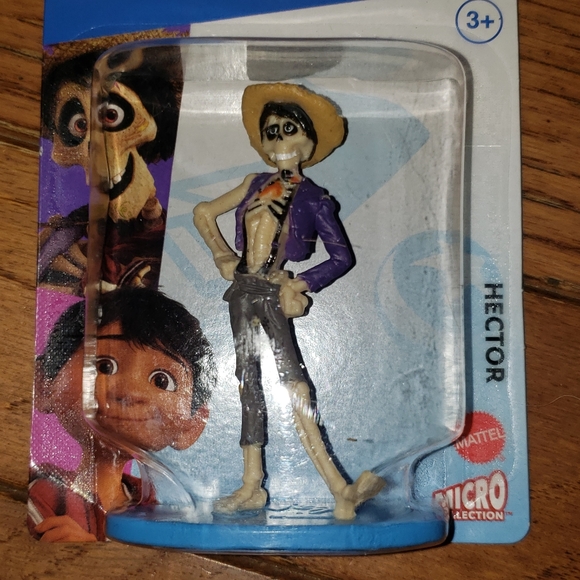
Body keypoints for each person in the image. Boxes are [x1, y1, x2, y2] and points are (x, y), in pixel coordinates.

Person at [193, 83, 384, 520]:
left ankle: (339, 487)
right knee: (247, 381)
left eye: (289, 129)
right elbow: (203, 212)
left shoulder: (315, 198)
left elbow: (342, 257)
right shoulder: (253, 185)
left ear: (308, 142)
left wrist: (301, 283)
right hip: (242, 293)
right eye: (271, 131)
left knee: (294, 384)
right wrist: (222, 254)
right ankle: (251, 484)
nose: (279, 140)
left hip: (273, 294)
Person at [28, 287, 214, 541]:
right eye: (105, 366)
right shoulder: (43, 494)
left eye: (161, 381)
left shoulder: (156, 508)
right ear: (44, 384)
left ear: (193, 424)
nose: (131, 392)